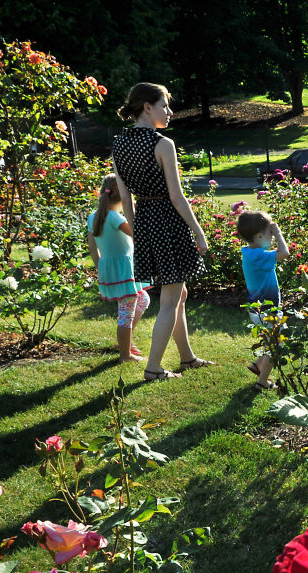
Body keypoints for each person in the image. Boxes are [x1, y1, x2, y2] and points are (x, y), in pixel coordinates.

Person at [112, 82, 213, 382]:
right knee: (170, 298)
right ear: (147, 107)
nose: (169, 112)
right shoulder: (163, 144)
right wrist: (199, 232)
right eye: (164, 106)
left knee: (178, 292)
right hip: (168, 222)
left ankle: (187, 357)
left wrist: (137, 229)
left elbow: (124, 193)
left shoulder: (118, 144)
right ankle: (154, 368)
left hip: (145, 219)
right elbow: (177, 197)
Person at [87, 173, 151, 363]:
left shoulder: (93, 217)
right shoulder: (115, 217)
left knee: (143, 299)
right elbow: (137, 234)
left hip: (111, 268)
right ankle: (125, 355)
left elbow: (92, 247)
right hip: (123, 270)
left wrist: (101, 267)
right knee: (126, 312)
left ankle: (125, 341)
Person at [237, 211, 289, 391]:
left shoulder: (249, 253)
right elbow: (284, 253)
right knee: (276, 344)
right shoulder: (260, 256)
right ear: (259, 236)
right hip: (267, 310)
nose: (273, 238)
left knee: (269, 339)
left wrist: (271, 230)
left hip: (257, 310)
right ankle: (263, 381)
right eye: (270, 234)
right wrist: (279, 232)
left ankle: (259, 364)